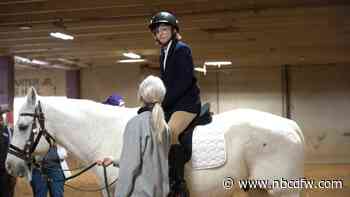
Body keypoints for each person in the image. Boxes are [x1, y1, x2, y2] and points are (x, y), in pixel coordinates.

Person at [148, 11, 202, 195]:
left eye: (164, 29)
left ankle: (178, 183)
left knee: (169, 132)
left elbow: (184, 82)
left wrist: (163, 102)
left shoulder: (181, 49)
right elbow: (166, 84)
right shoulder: (163, 52)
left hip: (187, 104)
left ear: (173, 30)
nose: (161, 33)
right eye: (158, 31)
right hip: (172, 103)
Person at [97, 75, 171, 197]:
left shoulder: (135, 124)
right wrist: (114, 160)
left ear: (141, 96)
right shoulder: (164, 127)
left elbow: (130, 167)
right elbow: (149, 160)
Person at [0, 105, 16, 197]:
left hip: (5, 174)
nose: (1, 117)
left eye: (2, 115)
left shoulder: (9, 131)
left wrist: (13, 174)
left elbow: (13, 152)